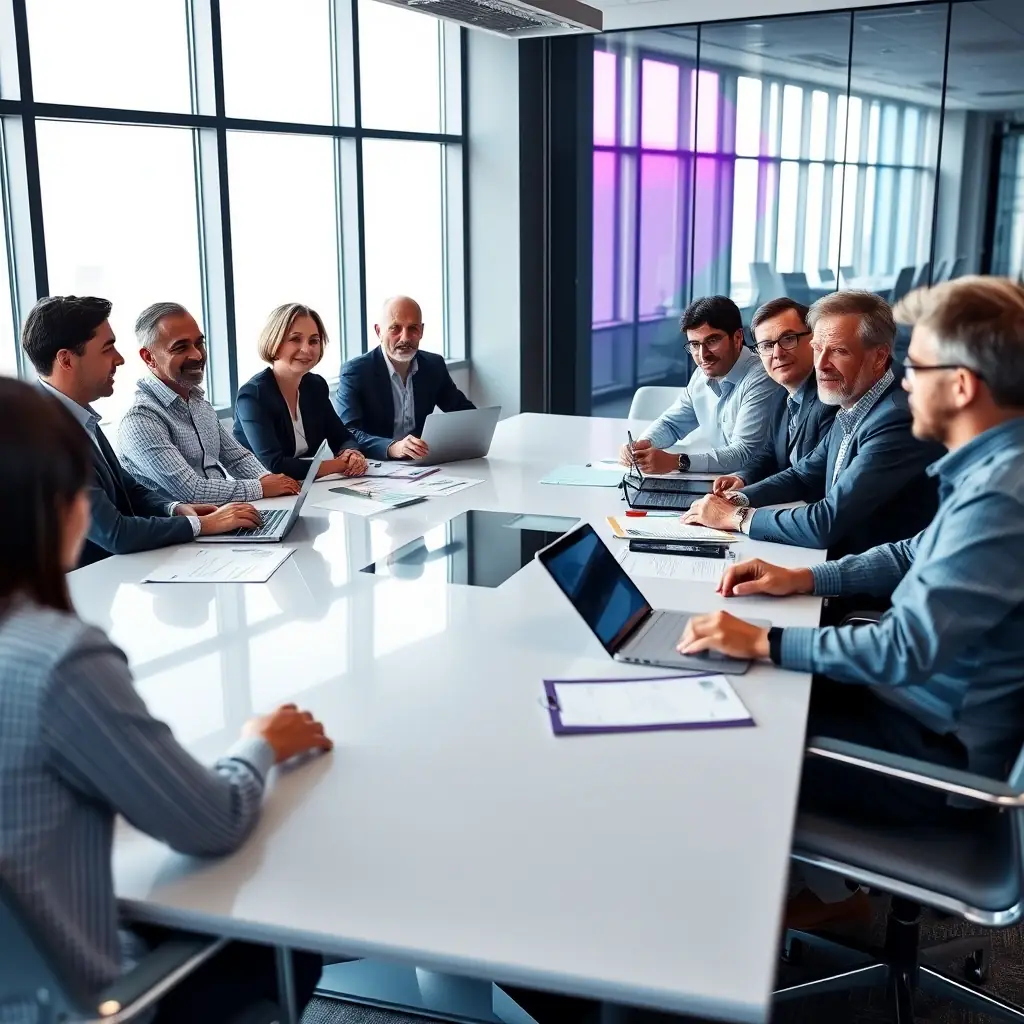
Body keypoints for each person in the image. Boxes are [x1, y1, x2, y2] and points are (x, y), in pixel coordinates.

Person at [677, 276, 1024, 925]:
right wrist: (807, 581)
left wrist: (765, 639)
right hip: (914, 712)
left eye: (916, 367)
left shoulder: (1003, 496)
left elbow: (904, 648)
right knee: (734, 691)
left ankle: (713, 937)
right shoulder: (993, 469)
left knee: (720, 737)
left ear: (962, 385)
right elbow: (910, 551)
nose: (905, 381)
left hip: (936, 761)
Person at [0, 378, 330, 1023]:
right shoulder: (57, 660)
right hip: (90, 1002)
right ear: (61, 507)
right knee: (286, 943)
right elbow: (212, 823)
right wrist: (260, 742)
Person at [684, 291, 940, 557]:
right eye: (818, 349)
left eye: (839, 351)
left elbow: (825, 522)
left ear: (878, 357)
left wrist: (735, 517)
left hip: (866, 577)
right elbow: (803, 474)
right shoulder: (855, 399)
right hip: (837, 558)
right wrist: (737, 498)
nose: (820, 365)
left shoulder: (896, 416)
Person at [20, 296, 264, 568]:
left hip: (114, 573)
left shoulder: (77, 414)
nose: (120, 359)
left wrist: (174, 509)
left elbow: (127, 487)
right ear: (66, 360)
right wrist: (201, 525)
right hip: (82, 586)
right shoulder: (45, 433)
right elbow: (116, 533)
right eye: (107, 349)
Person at [118, 303, 301, 505]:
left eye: (199, 343)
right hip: (185, 532)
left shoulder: (199, 403)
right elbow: (191, 491)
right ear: (149, 357)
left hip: (223, 516)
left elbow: (236, 457)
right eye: (180, 347)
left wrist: (269, 480)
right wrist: (261, 487)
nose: (197, 355)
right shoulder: (140, 420)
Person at [617, 295, 780, 474]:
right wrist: (643, 446)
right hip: (720, 480)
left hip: (755, 485)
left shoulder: (762, 377)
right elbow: (671, 424)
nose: (703, 355)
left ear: (737, 337)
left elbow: (744, 454)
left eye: (712, 341)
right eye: (695, 344)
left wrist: (677, 462)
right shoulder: (701, 375)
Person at [712, 297, 836, 497]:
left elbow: (810, 477)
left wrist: (742, 498)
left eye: (788, 339)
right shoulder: (781, 394)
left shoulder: (829, 399)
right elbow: (770, 452)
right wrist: (742, 477)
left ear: (814, 340)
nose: (777, 353)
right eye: (767, 345)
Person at [234, 303, 369, 480]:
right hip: (260, 492)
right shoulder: (253, 396)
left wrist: (351, 454)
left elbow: (342, 436)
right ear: (274, 342)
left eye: (314, 341)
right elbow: (274, 465)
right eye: (295, 339)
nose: (306, 349)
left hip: (302, 487)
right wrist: (340, 464)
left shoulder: (315, 386)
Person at [334, 295, 475, 460]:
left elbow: (464, 413)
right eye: (395, 328)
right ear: (379, 331)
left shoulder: (433, 365)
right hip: (377, 466)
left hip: (421, 464)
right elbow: (348, 433)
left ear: (421, 331)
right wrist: (393, 447)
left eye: (413, 328)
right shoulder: (356, 371)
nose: (405, 338)